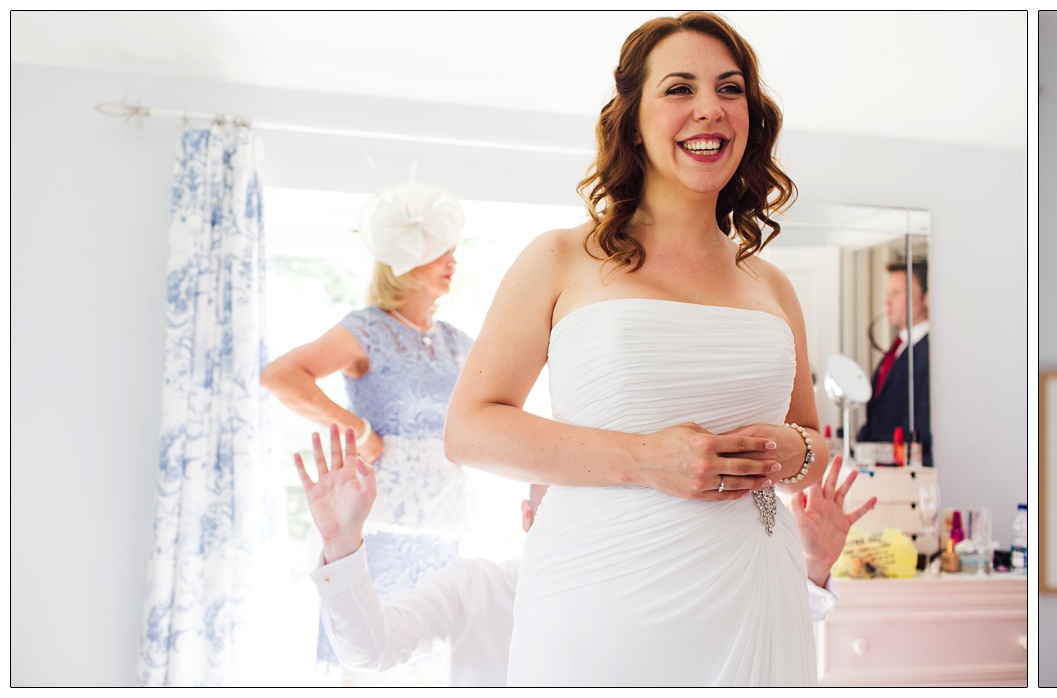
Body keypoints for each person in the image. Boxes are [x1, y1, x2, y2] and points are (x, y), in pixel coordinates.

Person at [443, 12, 831, 686]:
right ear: (632, 120)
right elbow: (470, 430)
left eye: (730, 88)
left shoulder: (770, 284)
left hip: (756, 591)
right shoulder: (561, 259)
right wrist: (646, 460)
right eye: (679, 89)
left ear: (751, 116)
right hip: (602, 598)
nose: (709, 108)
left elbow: (814, 445)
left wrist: (792, 450)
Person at [297, 426, 875, 686]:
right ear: (527, 519)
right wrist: (340, 543)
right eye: (562, 512)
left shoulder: (644, 597)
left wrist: (814, 567)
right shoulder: (473, 588)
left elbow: (750, 643)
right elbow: (370, 651)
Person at [260, 180, 472, 679]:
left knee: (433, 652)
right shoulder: (368, 328)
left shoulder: (457, 342)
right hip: (374, 520)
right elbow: (280, 376)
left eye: (454, 252)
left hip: (445, 523)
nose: (452, 262)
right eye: (440, 251)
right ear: (404, 261)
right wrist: (356, 429)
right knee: (366, 652)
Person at [856, 260, 931, 463]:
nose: (887, 302)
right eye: (887, 293)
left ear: (927, 297)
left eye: (896, 293)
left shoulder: (933, 353)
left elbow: (924, 425)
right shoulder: (896, 349)